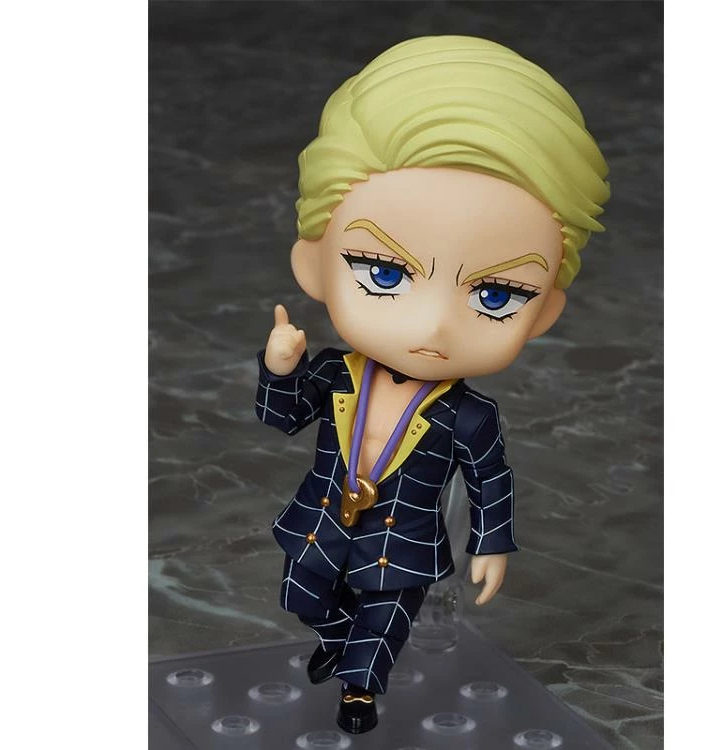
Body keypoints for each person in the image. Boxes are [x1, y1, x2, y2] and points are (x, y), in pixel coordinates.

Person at [254, 34, 610, 735]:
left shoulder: (468, 415)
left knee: (386, 621)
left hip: (406, 544)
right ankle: (339, 640)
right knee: (301, 595)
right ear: (313, 264)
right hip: (323, 521)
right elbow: (281, 416)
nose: (434, 325)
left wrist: (492, 543)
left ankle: (360, 690)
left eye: (497, 295)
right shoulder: (335, 372)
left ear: (545, 311)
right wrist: (281, 367)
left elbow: (490, 479)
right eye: (384, 273)